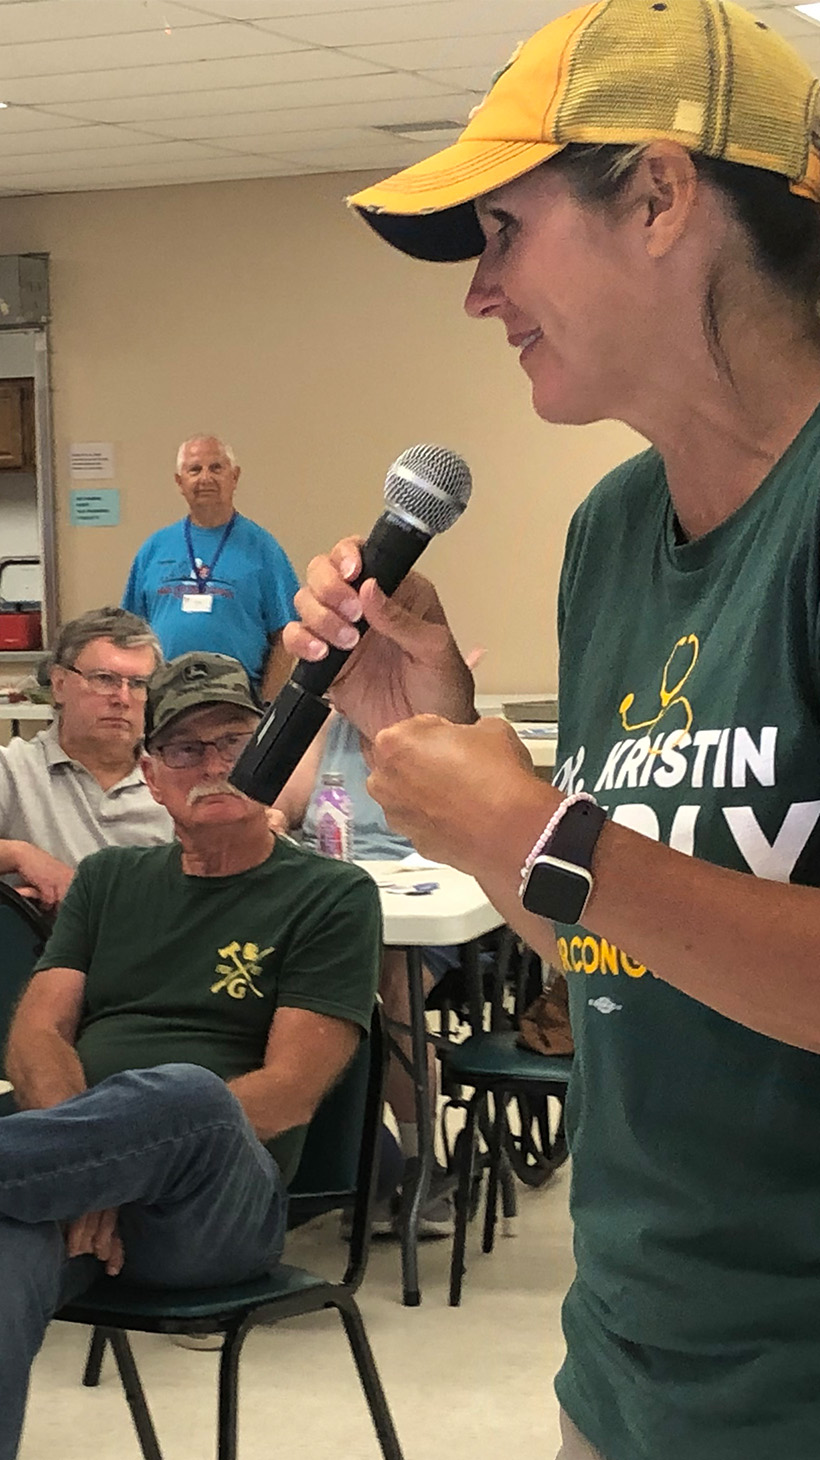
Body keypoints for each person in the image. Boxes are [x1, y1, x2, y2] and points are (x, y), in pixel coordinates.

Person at [283, 3, 820, 1457]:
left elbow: (593, 872)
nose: (480, 291)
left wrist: (545, 831)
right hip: (637, 1364)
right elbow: (608, 940)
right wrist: (448, 750)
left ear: (659, 194)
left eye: (503, 228)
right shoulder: (614, 535)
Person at [0, 650, 381, 1458]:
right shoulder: (106, 881)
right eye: (184, 749)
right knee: (5, 1252)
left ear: (274, 751)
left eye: (237, 743)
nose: (214, 766)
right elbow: (37, 1031)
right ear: (151, 774)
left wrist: (110, 1161)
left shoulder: (331, 895)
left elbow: (287, 1094)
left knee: (190, 1094)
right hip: (66, 1192)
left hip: (215, 1212)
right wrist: (91, 1166)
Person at [272, 707, 459, 1239]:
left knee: (393, 981)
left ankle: (421, 1161)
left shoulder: (438, 730)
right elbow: (282, 805)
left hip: (421, 902)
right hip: (330, 899)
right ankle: (351, 1155)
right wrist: (270, 817)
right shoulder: (325, 729)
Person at [0, 606, 171, 909]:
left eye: (139, 684)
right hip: (43, 950)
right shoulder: (13, 771)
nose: (122, 698)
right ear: (59, 684)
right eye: (104, 679)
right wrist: (18, 854)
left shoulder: (174, 780)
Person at [122, 435, 299, 700]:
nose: (205, 478)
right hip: (164, 700)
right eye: (194, 470)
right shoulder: (154, 548)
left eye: (216, 468)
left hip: (237, 701)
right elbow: (131, 633)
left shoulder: (263, 549)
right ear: (179, 482)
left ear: (235, 477)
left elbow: (286, 637)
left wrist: (267, 704)